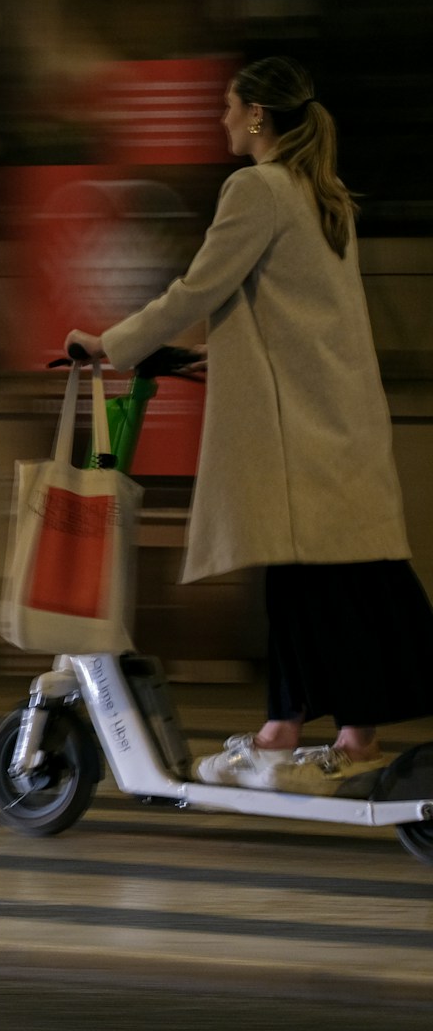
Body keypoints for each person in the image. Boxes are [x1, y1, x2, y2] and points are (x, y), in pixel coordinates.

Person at [66, 56, 433, 795]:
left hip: (296, 425)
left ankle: (311, 735)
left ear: (259, 114)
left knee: (310, 579)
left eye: (230, 107)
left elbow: (197, 288)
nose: (223, 119)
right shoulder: (322, 193)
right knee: (336, 574)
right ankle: (311, 732)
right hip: (337, 413)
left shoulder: (256, 187)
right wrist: (221, 355)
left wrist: (111, 342)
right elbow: (302, 312)